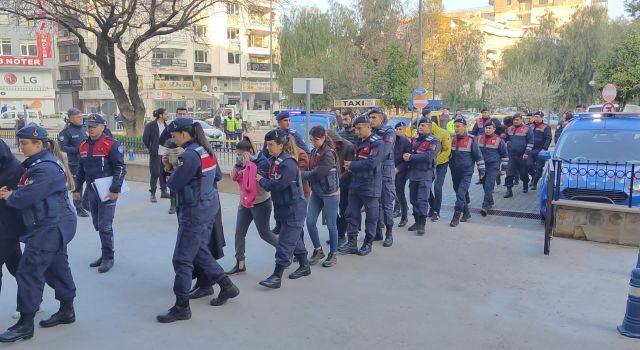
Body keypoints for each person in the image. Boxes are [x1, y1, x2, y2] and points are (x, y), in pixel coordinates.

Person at [157, 118, 239, 323]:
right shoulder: (205, 150)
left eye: (174, 136)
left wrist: (169, 167)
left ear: (185, 134)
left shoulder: (190, 156)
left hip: (194, 211)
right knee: (200, 250)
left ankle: (181, 307)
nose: (173, 140)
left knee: (182, 259)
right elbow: (218, 176)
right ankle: (227, 285)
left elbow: (174, 184)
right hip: (209, 207)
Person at [0, 125, 77, 343]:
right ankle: (67, 310)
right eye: (20, 142)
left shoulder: (45, 168)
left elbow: (27, 196)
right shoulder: (38, 164)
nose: (20, 147)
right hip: (52, 223)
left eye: (24, 143)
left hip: (50, 226)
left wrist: (9, 195)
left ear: (39, 144)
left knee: (28, 271)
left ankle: (25, 325)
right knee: (56, 267)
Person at [73, 114, 126, 273]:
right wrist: (77, 189)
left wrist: (115, 189)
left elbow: (120, 168)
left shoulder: (111, 144)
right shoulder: (83, 145)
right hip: (92, 190)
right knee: (97, 224)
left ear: (103, 126)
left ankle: (109, 257)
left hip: (107, 190)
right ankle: (104, 253)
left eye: (94, 126)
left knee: (105, 225)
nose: (90, 129)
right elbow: (80, 170)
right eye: (88, 126)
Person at [257, 132, 310, 289]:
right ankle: (305, 265)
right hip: (283, 207)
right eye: (267, 144)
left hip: (293, 208)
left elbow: (278, 185)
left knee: (285, 243)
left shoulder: (288, 164)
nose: (268, 147)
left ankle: (276, 276)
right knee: (294, 239)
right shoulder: (275, 160)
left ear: (281, 145)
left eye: (271, 144)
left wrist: (262, 181)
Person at [225, 137, 278, 275]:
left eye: (240, 153)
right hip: (245, 203)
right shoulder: (240, 162)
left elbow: (255, 183)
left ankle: (286, 251)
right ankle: (240, 263)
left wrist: (249, 165)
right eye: (237, 154)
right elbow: (233, 177)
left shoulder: (262, 163)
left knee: (265, 233)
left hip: (260, 203)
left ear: (248, 151)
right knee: (239, 233)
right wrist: (238, 165)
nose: (238, 156)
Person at [339, 115, 384, 256]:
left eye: (359, 128)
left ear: (368, 127)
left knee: (371, 216)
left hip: (370, 184)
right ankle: (352, 242)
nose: (356, 132)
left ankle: (368, 242)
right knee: (351, 213)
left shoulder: (377, 143)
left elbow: (372, 163)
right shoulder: (358, 142)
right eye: (356, 128)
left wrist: (352, 164)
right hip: (356, 183)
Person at [302, 126, 340, 267]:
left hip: (330, 193)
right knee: (310, 222)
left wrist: (302, 175)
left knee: (331, 225)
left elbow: (318, 173)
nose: (313, 142)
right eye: (311, 140)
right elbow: (311, 169)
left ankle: (333, 254)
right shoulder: (313, 151)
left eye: (315, 140)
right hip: (317, 192)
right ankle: (318, 250)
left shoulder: (329, 153)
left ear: (323, 137)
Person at [403, 118, 440, 235]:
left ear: (430, 127)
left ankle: (422, 224)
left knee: (422, 200)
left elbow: (429, 156)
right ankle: (416, 222)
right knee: (413, 200)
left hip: (426, 174)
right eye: (420, 125)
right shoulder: (414, 140)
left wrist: (411, 157)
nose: (420, 127)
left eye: (424, 125)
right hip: (414, 173)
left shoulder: (434, 141)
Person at [449, 116, 485, 227]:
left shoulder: (471, 139)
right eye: (455, 126)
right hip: (455, 171)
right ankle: (466, 213)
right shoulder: (452, 139)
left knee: (460, 193)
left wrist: (482, 172)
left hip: (467, 172)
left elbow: (478, 156)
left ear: (464, 126)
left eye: (458, 126)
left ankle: (456, 215)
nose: (456, 128)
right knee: (458, 191)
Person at [369, 107, 396, 247]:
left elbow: (384, 151)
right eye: (370, 117)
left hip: (386, 171)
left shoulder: (389, 131)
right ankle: (377, 232)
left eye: (374, 117)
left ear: (381, 118)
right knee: (376, 205)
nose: (371, 120)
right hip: (374, 172)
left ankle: (389, 234)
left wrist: (370, 160)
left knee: (386, 204)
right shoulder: (370, 132)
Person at [0, 139, 23, 296]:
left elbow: (17, 199)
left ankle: (32, 300)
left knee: (16, 264)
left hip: (8, 225)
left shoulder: (15, 169)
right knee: (16, 264)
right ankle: (33, 298)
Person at [58, 108, 90, 217]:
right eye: (78, 117)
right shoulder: (66, 132)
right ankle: (78, 207)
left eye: (81, 117)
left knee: (92, 182)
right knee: (78, 186)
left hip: (89, 161)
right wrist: (77, 149)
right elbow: (62, 147)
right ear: (71, 119)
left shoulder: (85, 128)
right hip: (76, 162)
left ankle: (86, 202)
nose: (81, 119)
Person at [327, 129, 353, 247]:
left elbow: (349, 169)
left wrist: (336, 181)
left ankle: (342, 235)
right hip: (330, 185)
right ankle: (337, 232)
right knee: (330, 211)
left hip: (345, 184)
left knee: (343, 210)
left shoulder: (348, 147)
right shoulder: (327, 148)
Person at [477, 121, 508, 213]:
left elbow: (505, 155)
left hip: (493, 166)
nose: (487, 130)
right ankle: (490, 201)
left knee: (488, 185)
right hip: (481, 167)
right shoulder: (479, 138)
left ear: (494, 129)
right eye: (486, 128)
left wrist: (503, 169)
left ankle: (485, 205)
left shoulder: (499, 140)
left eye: (489, 128)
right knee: (484, 185)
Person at [427, 112, 452, 222]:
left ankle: (437, 211)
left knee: (437, 187)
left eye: (424, 125)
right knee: (426, 186)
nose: (421, 127)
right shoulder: (425, 134)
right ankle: (432, 206)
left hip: (441, 164)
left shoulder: (443, 133)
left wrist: (436, 161)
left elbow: (447, 150)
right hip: (429, 164)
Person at [504, 113, 534, 199]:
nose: (515, 121)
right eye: (514, 120)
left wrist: (526, 153)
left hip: (522, 155)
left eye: (517, 119)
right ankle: (509, 190)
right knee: (509, 172)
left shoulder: (527, 129)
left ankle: (525, 184)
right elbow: (506, 139)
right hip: (511, 155)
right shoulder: (509, 129)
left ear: (521, 119)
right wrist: (503, 137)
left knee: (523, 173)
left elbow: (531, 142)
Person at [143, 108, 170, 203]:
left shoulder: (167, 126)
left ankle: (164, 191)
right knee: (155, 173)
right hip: (156, 154)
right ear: (160, 115)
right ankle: (153, 193)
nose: (167, 115)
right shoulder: (151, 125)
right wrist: (151, 148)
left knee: (164, 173)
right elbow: (145, 138)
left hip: (165, 154)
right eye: (166, 114)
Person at [528, 111, 552, 190]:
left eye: (538, 117)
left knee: (539, 168)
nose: (536, 118)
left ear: (542, 118)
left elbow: (548, 138)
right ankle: (534, 175)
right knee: (528, 165)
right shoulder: (530, 126)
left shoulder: (545, 127)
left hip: (540, 151)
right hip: (531, 150)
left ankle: (534, 182)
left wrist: (544, 148)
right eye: (535, 116)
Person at [394, 122, 411, 227]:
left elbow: (408, 159)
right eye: (397, 129)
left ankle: (404, 216)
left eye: (401, 129)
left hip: (401, 172)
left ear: (404, 130)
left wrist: (398, 169)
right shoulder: (392, 140)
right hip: (389, 170)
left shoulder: (406, 141)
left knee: (400, 194)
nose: (398, 131)